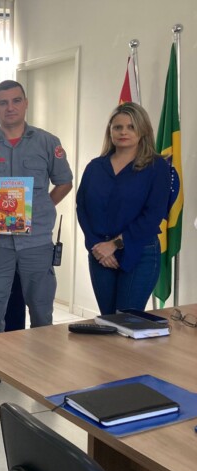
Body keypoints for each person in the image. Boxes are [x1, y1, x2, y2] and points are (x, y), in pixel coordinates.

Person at [0, 80, 73, 396]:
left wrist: (42, 207)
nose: (10, 107)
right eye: (2, 102)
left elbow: (64, 181)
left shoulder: (47, 142)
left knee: (41, 308)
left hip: (36, 242)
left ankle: (43, 370)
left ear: (25, 103)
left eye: (15, 101)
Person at [76, 102, 170, 314]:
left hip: (140, 252)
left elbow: (153, 215)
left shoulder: (156, 167)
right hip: (100, 253)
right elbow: (82, 208)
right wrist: (96, 245)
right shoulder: (95, 167)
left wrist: (115, 244)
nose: (123, 132)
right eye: (117, 127)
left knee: (126, 320)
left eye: (131, 127)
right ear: (110, 131)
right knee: (109, 319)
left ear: (142, 130)